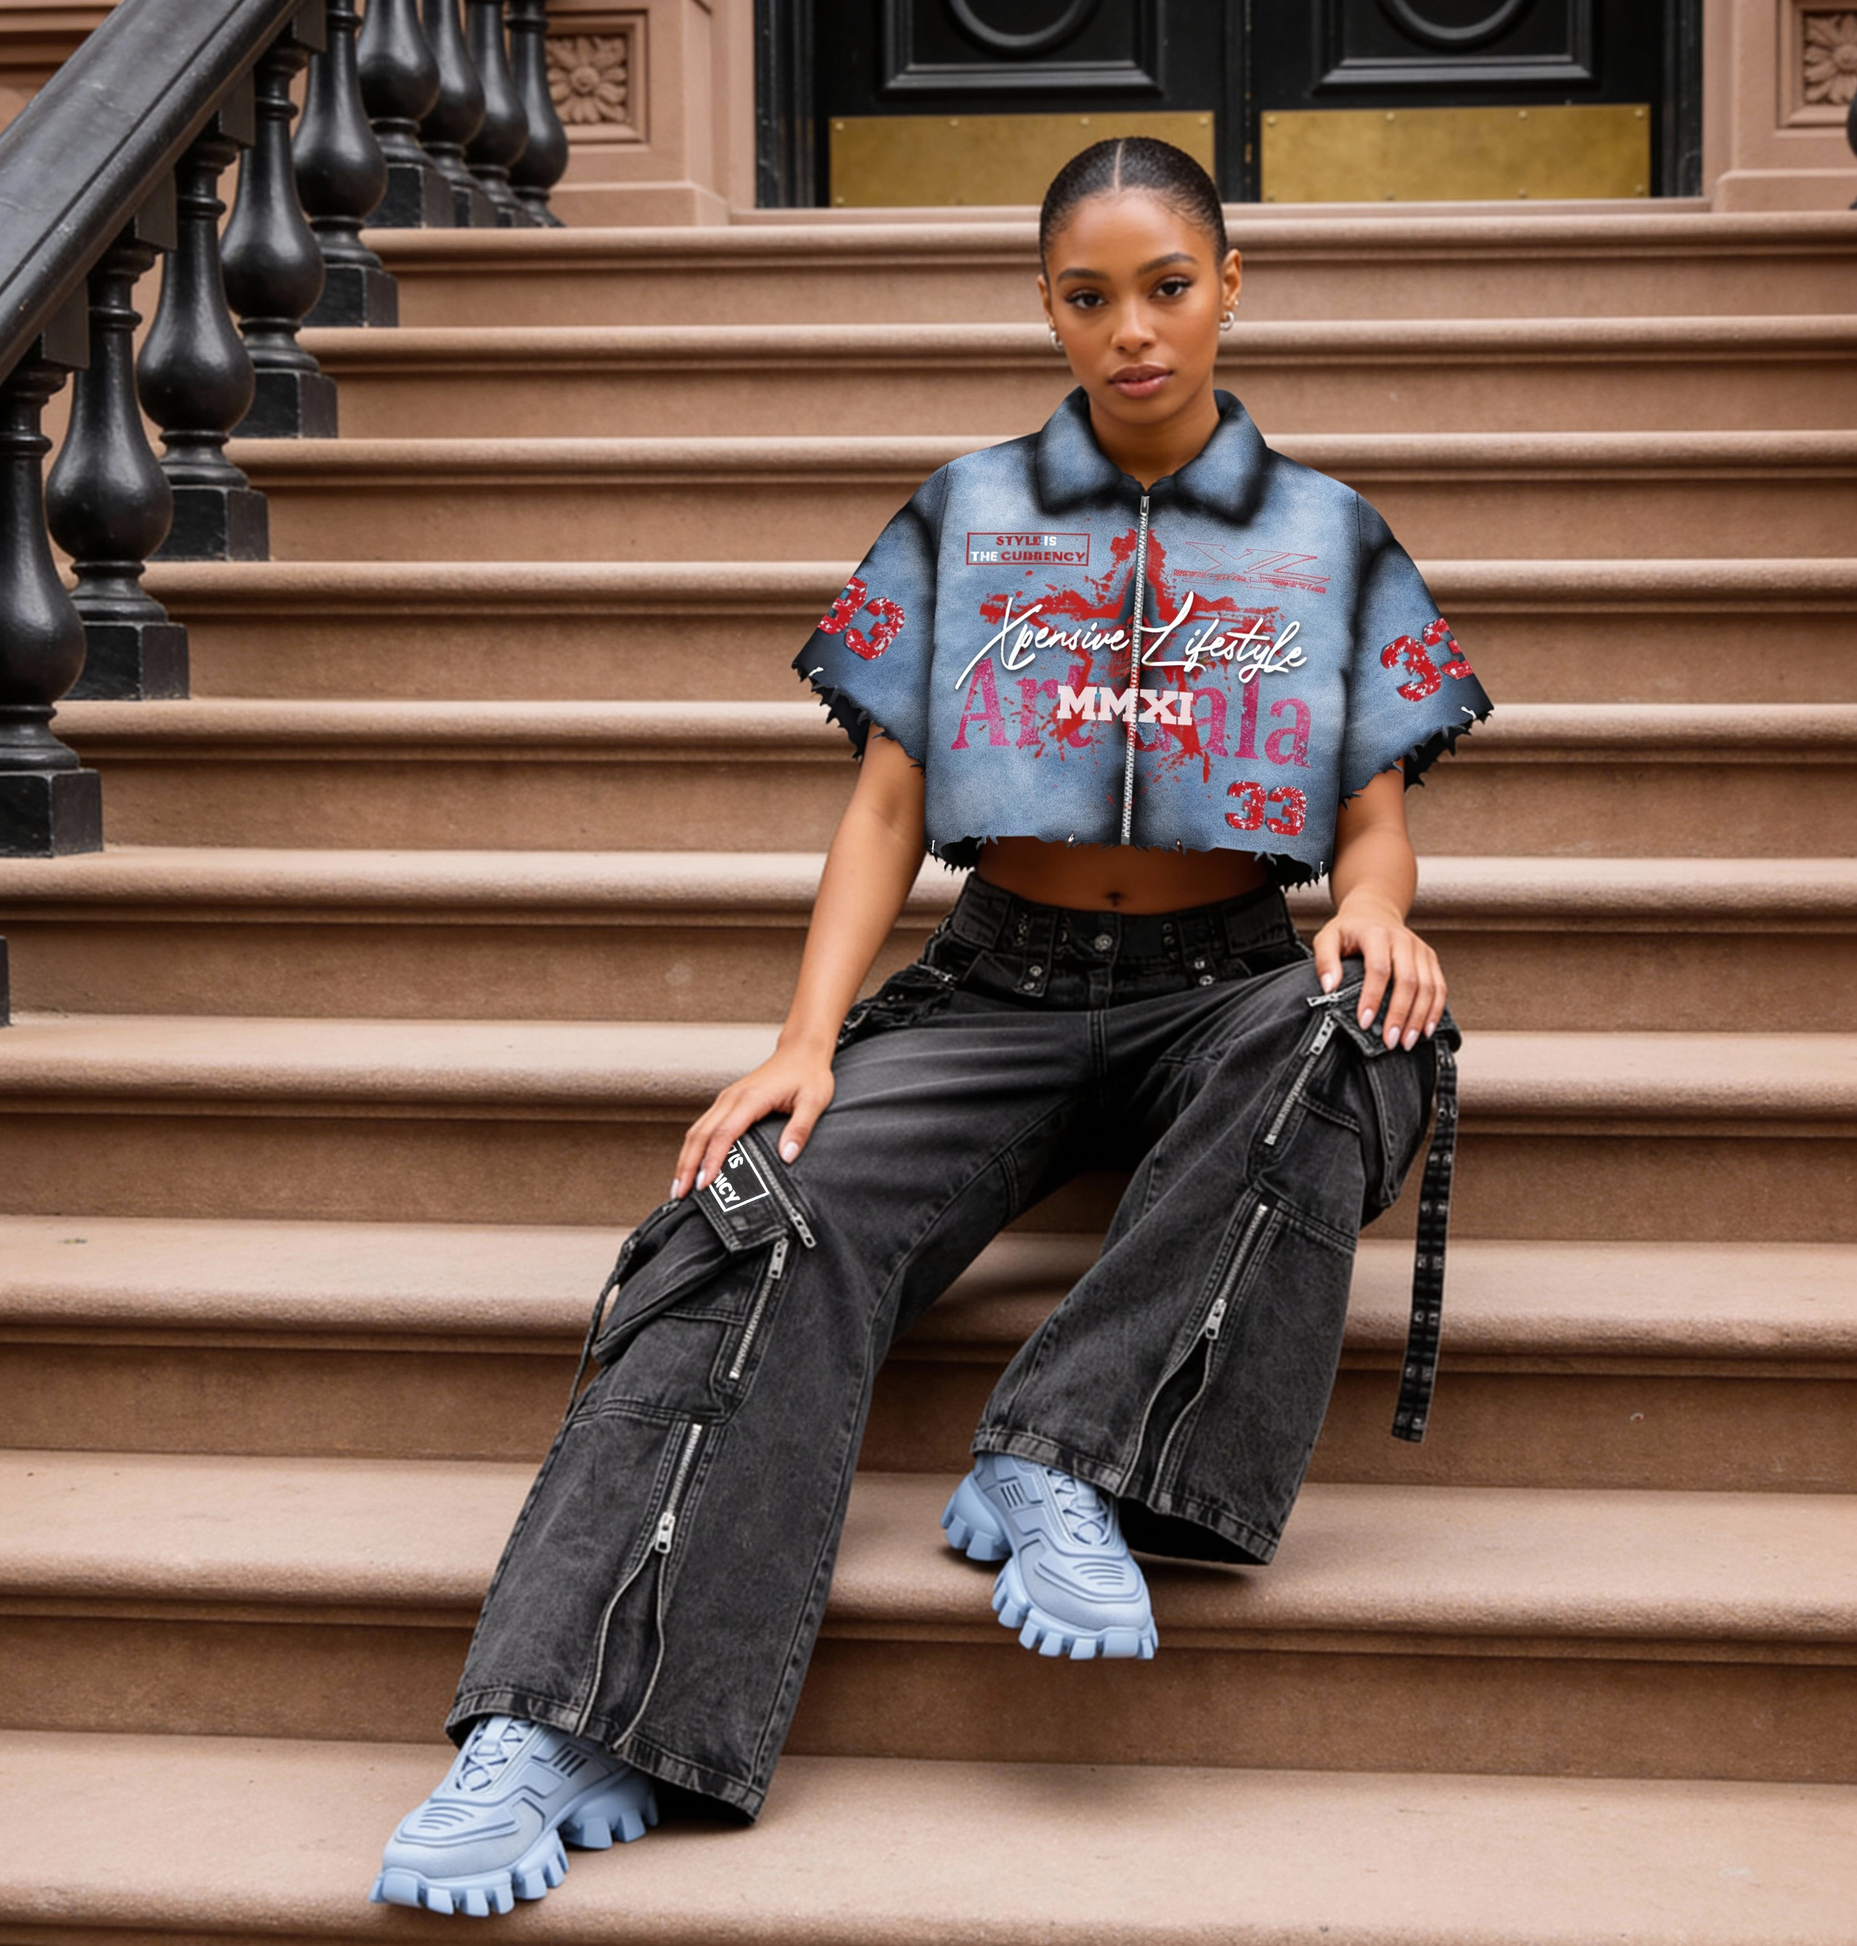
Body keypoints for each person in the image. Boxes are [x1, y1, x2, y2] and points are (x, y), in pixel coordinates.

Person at [370, 136, 1489, 1919]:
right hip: (999, 983)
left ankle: (1064, 1449)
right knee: (758, 1206)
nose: (1132, 330)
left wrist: (1373, 903)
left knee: (1368, 1023)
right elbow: (886, 807)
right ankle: (562, 1721)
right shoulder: (965, 514)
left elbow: (1370, 812)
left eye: (1167, 287)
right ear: (1045, 306)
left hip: (1224, 980)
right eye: (1087, 296)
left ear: (1230, 284)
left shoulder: (1329, 535)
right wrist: (804, 1039)